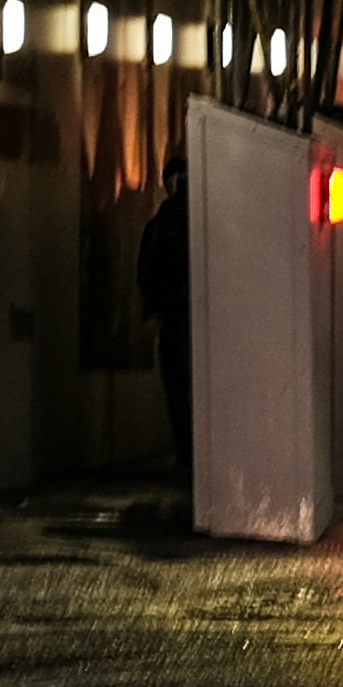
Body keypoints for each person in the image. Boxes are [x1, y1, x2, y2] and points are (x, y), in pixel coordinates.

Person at [134, 166, 194, 469]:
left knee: (178, 386)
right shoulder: (202, 215)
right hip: (196, 316)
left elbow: (146, 269)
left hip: (174, 317)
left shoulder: (163, 220)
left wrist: (154, 308)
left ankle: (185, 453)